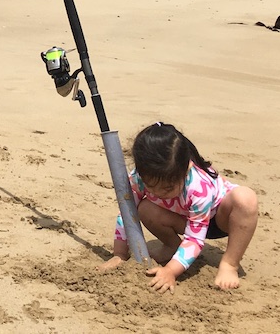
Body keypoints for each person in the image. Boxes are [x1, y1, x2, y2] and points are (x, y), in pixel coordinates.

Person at [98, 121, 259, 291]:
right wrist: (120, 254)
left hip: (219, 218)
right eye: (151, 187)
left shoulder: (198, 186)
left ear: (187, 169)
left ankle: (230, 264)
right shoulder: (139, 177)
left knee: (246, 199)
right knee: (144, 208)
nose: (159, 193)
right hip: (182, 217)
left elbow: (194, 239)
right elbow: (126, 213)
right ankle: (172, 246)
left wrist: (171, 271)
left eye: (168, 188)